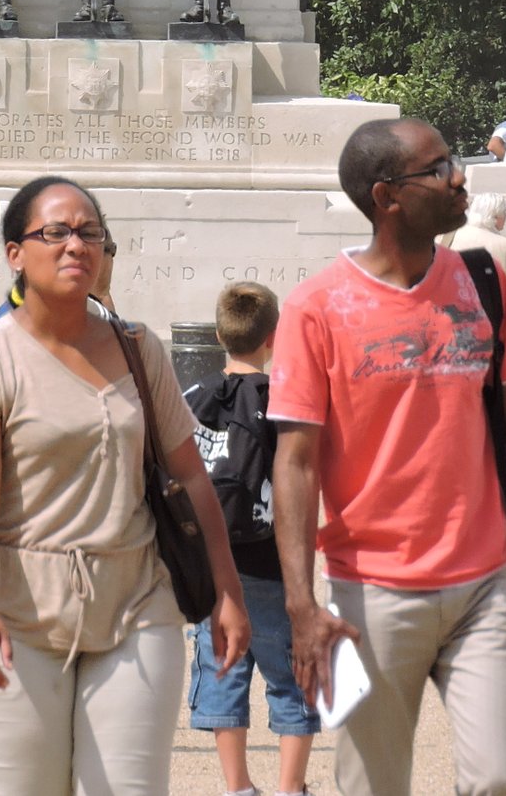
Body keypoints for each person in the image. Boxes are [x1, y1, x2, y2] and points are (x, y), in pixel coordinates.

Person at [270, 118, 506, 796]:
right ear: (388, 196)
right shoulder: (315, 307)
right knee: (372, 786)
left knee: (498, 779)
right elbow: (294, 463)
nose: (460, 176)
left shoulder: (483, 278)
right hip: (369, 594)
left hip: (482, 582)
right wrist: (300, 605)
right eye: (439, 168)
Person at [0, 176, 248, 796]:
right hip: (18, 610)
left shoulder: (141, 349)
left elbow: (189, 474)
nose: (76, 244)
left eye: (89, 232)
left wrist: (227, 590)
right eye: (55, 232)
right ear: (15, 253)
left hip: (137, 600)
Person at [186, 282, 316, 796]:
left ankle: (238, 785)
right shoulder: (284, 402)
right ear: (274, 336)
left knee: (222, 668)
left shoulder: (194, 396)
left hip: (210, 565)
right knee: (291, 672)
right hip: (271, 561)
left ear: (218, 335)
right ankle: (291, 786)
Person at [441, 191, 506, 303]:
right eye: (505, 212)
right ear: (497, 216)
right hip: (488, 315)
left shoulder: (451, 233)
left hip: (451, 308)